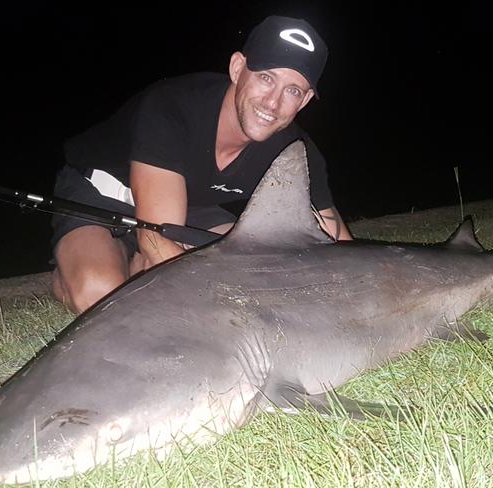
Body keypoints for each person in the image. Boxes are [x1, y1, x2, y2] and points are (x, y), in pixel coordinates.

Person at [51, 15, 353, 314]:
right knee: (101, 294)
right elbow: (156, 238)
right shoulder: (172, 107)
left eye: (293, 90)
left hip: (190, 204)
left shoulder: (294, 149)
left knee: (258, 262)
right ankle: (82, 268)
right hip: (103, 193)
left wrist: (352, 284)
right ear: (237, 68)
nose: (272, 103)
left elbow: (333, 238)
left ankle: (135, 268)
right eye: (266, 77)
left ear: (304, 101)